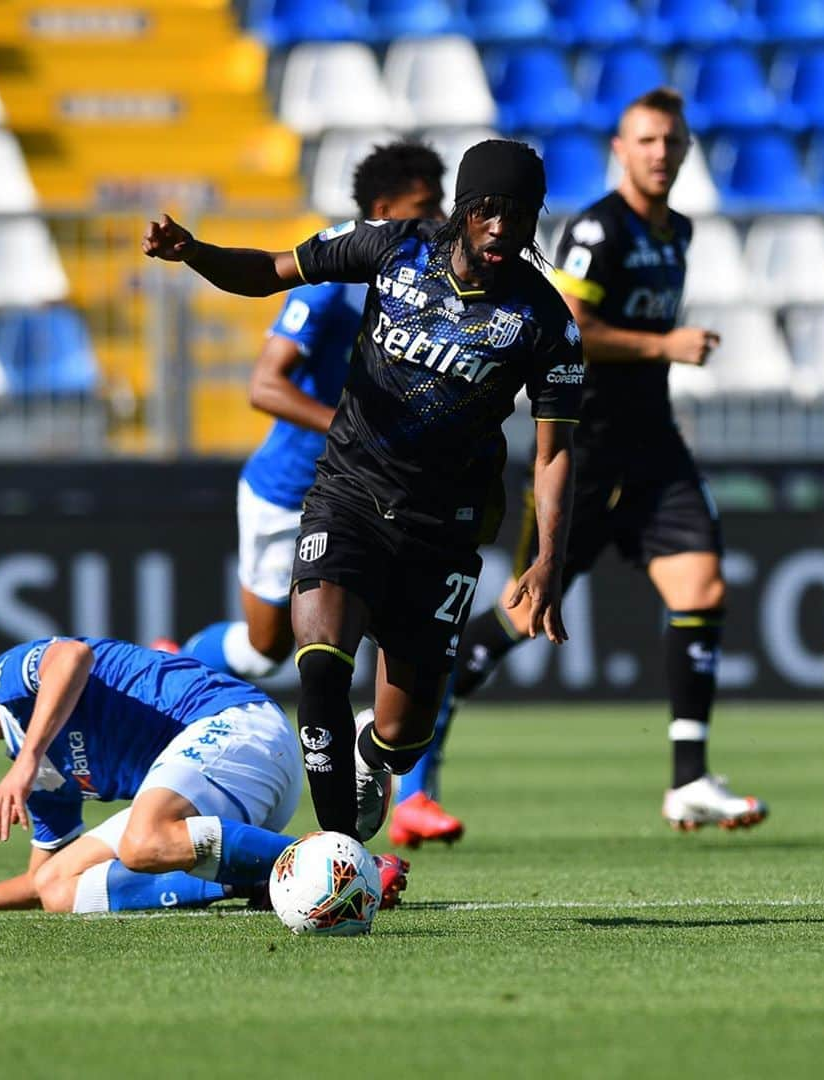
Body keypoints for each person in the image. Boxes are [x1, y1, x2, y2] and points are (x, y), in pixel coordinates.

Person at [143, 138, 585, 843]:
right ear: (466, 211)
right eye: (490, 210)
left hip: (443, 529)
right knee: (318, 665)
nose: (503, 227)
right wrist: (194, 251)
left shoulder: (546, 322)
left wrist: (548, 558)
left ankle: (367, 756)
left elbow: (556, 452)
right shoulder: (393, 247)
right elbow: (268, 270)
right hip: (347, 496)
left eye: (520, 214)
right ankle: (337, 853)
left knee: (402, 738)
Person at [423, 88, 768, 838]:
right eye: (645, 140)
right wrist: (662, 346)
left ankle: (688, 780)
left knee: (702, 583)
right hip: (583, 448)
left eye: (671, 141)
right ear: (621, 147)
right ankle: (409, 741)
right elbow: (571, 324)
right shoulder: (596, 230)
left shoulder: (677, 230)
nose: (659, 153)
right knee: (521, 614)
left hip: (655, 448)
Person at [171, 141, 463, 848]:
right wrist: (354, 429)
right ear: (384, 212)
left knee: (414, 640)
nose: (443, 218)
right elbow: (264, 385)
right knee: (269, 646)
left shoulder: (437, 283)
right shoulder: (332, 281)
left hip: (383, 495)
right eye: (428, 207)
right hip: (291, 487)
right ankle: (181, 663)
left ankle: (412, 791)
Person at [0, 633, 407, 915]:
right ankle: (265, 875)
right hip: (216, 801)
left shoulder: (12, 677)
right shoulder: (34, 769)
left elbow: (72, 656)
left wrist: (29, 758)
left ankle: (334, 864)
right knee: (60, 889)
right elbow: (39, 879)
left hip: (240, 727)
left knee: (142, 839)